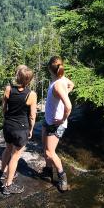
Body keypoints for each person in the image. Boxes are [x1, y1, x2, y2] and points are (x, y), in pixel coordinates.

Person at [0, 65, 37, 195]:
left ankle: (2, 172)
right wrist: (31, 129)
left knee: (7, 149)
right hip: (20, 129)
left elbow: (4, 108)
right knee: (15, 157)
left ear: (17, 77)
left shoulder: (8, 89)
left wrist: (6, 119)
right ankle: (8, 185)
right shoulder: (31, 94)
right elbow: (32, 116)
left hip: (8, 126)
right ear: (29, 80)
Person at [40, 56, 74, 192]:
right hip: (48, 120)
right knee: (45, 148)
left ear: (50, 68)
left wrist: (62, 119)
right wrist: (66, 92)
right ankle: (49, 170)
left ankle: (62, 177)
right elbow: (72, 85)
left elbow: (69, 106)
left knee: (50, 152)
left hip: (57, 124)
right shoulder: (61, 80)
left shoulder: (58, 84)